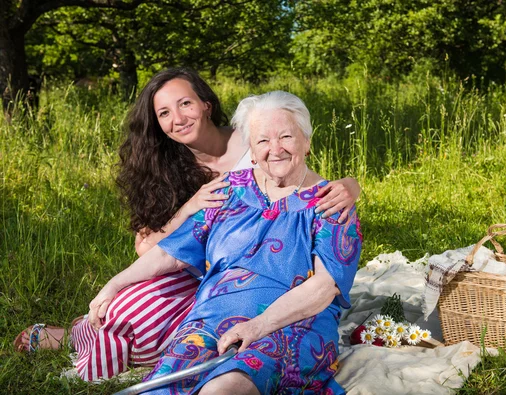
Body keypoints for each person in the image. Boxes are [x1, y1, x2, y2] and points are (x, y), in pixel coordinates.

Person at [14, 69, 361, 382]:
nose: (177, 118)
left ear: (206, 104)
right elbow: (158, 248)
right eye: (164, 113)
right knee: (135, 329)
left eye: (185, 104)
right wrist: (113, 282)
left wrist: (351, 184)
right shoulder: (184, 171)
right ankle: (82, 333)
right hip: (204, 290)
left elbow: (321, 283)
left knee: (223, 381)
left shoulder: (279, 155)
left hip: (276, 310)